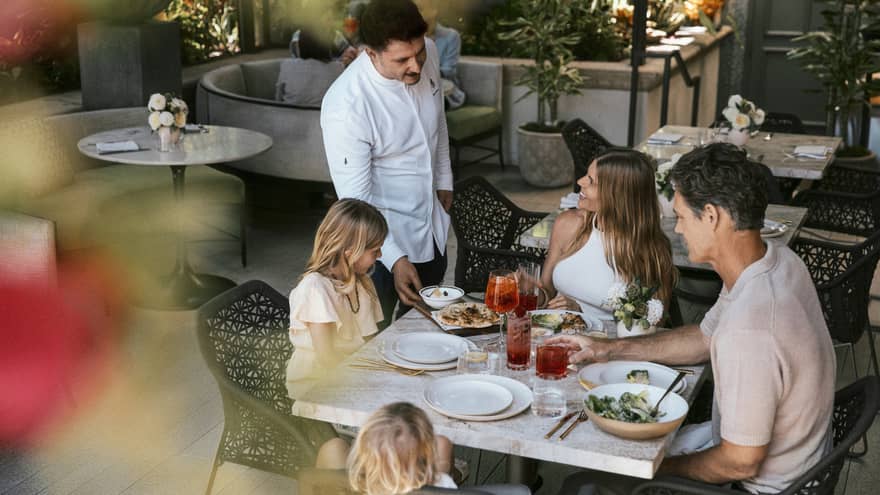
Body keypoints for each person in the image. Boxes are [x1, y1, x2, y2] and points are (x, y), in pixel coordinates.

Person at [554, 143, 836, 495]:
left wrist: (654, 469)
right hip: (800, 465)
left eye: (682, 216)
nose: (679, 229)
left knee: (585, 481)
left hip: (758, 489)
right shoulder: (777, 263)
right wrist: (607, 349)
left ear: (712, 216)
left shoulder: (751, 329)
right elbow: (703, 338)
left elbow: (739, 460)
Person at [321, 0, 453, 330]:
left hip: (432, 225)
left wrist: (444, 177)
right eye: (402, 60)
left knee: (428, 330)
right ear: (370, 53)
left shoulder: (430, 52)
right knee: (375, 343)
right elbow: (357, 202)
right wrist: (394, 258)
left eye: (419, 54)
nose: (416, 67)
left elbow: (439, 120)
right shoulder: (346, 105)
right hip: (376, 248)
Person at [541, 149, 675, 321]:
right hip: (556, 338)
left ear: (618, 196)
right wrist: (533, 291)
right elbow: (546, 291)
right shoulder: (568, 224)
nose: (580, 181)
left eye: (592, 182)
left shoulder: (650, 250)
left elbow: (651, 322)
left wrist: (580, 314)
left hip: (609, 344)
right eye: (585, 175)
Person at [286, 199, 386, 399]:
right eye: (375, 251)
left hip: (353, 375)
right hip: (317, 387)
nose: (381, 255)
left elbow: (369, 342)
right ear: (351, 252)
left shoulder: (362, 284)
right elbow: (327, 358)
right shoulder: (316, 289)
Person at [413, 0, 466, 108]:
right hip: (416, 89)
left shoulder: (451, 36)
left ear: (434, 11)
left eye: (420, 9)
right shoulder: (409, 37)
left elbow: (448, 71)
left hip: (445, 90)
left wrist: (421, 73)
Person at [278, 29, 347, 107]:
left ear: (301, 44)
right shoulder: (339, 68)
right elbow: (341, 101)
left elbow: (278, 99)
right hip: (322, 118)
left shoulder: (286, 65)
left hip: (286, 116)